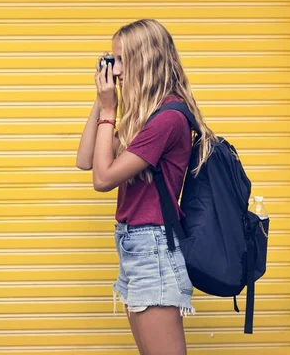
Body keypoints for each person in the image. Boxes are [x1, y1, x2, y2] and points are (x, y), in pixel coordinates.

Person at [76, 19, 216, 355]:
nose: (116, 69)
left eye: (120, 60)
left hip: (153, 248)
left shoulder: (168, 118)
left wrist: (110, 108)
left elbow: (102, 179)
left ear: (145, 60)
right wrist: (102, 101)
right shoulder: (143, 117)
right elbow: (85, 159)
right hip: (135, 244)